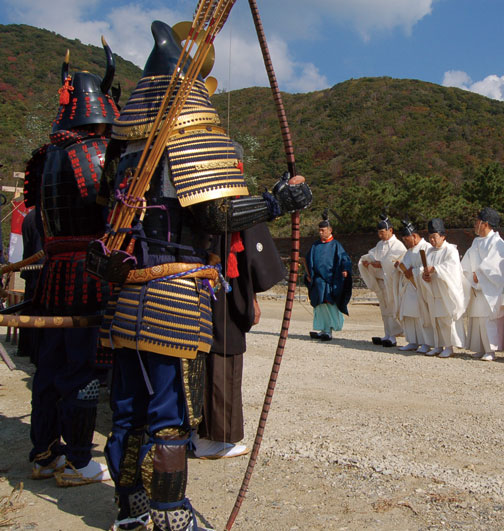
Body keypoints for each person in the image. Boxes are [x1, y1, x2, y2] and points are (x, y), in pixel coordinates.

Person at [98, 21, 311, 531]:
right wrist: (276, 202)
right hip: (170, 295)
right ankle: (170, 514)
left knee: (128, 407)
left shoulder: (124, 148)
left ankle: (131, 510)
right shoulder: (180, 132)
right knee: (170, 411)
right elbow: (215, 216)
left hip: (126, 295)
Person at [22, 44, 117, 486]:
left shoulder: (45, 156)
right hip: (88, 276)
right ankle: (79, 460)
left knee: (49, 367)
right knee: (83, 370)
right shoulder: (101, 153)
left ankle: (44, 454)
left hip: (52, 275)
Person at [193, 223, 286, 458]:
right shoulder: (227, 197)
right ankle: (210, 436)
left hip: (184, 275)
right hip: (215, 282)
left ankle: (189, 431)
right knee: (222, 342)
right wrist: (250, 294)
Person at [461, 207, 504, 361]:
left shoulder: (497, 242)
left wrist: (480, 274)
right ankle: (480, 347)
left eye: (477, 221)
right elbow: (467, 261)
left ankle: (491, 349)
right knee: (477, 318)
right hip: (476, 285)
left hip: (489, 288)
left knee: (488, 318)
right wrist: (471, 275)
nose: (475, 224)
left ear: (485, 224)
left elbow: (496, 264)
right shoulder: (476, 241)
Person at [417, 218, 466, 358]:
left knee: (446, 319)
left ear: (443, 236)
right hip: (433, 290)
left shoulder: (450, 250)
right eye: (430, 237)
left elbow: (452, 268)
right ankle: (438, 345)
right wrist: (424, 274)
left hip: (445, 290)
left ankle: (449, 346)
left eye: (435, 237)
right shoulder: (429, 251)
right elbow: (424, 267)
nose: (432, 240)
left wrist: (435, 269)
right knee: (435, 319)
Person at [358, 213, 406, 347]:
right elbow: (372, 255)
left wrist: (382, 263)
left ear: (390, 230)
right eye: (379, 232)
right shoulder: (380, 244)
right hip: (380, 280)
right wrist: (368, 261)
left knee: (392, 308)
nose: (380, 235)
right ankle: (387, 334)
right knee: (384, 309)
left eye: (382, 232)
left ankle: (393, 336)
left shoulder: (398, 245)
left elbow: (396, 261)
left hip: (391, 282)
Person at [305, 211, 352, 341]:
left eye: (323, 230)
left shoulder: (336, 245)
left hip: (330, 281)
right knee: (319, 305)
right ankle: (322, 329)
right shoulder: (315, 245)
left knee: (329, 304)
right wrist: (308, 275)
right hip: (318, 281)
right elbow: (308, 261)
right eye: (319, 230)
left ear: (330, 230)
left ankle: (329, 330)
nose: (320, 232)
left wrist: (345, 269)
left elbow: (344, 258)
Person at [394, 219, 434, 352]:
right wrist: (402, 267)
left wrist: (415, 271)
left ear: (415, 236)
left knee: (421, 315)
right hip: (410, 286)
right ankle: (412, 341)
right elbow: (404, 266)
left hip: (422, 287)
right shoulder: (410, 250)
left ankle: (426, 342)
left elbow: (428, 267)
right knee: (409, 314)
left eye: (407, 239)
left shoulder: (427, 247)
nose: (405, 243)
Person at [17, 206, 43, 361]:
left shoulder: (29, 216)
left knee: (28, 307)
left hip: (30, 271)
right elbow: (39, 251)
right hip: (37, 271)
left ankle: (25, 347)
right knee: (33, 310)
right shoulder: (38, 217)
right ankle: (31, 348)